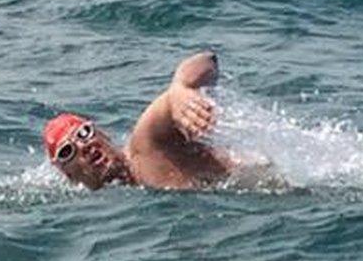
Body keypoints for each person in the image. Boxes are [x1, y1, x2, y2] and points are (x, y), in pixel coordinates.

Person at [42, 50, 234, 190]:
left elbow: (207, 59)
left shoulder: (146, 144)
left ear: (103, 134)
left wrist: (180, 88)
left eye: (84, 133)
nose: (85, 146)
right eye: (68, 151)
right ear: (68, 175)